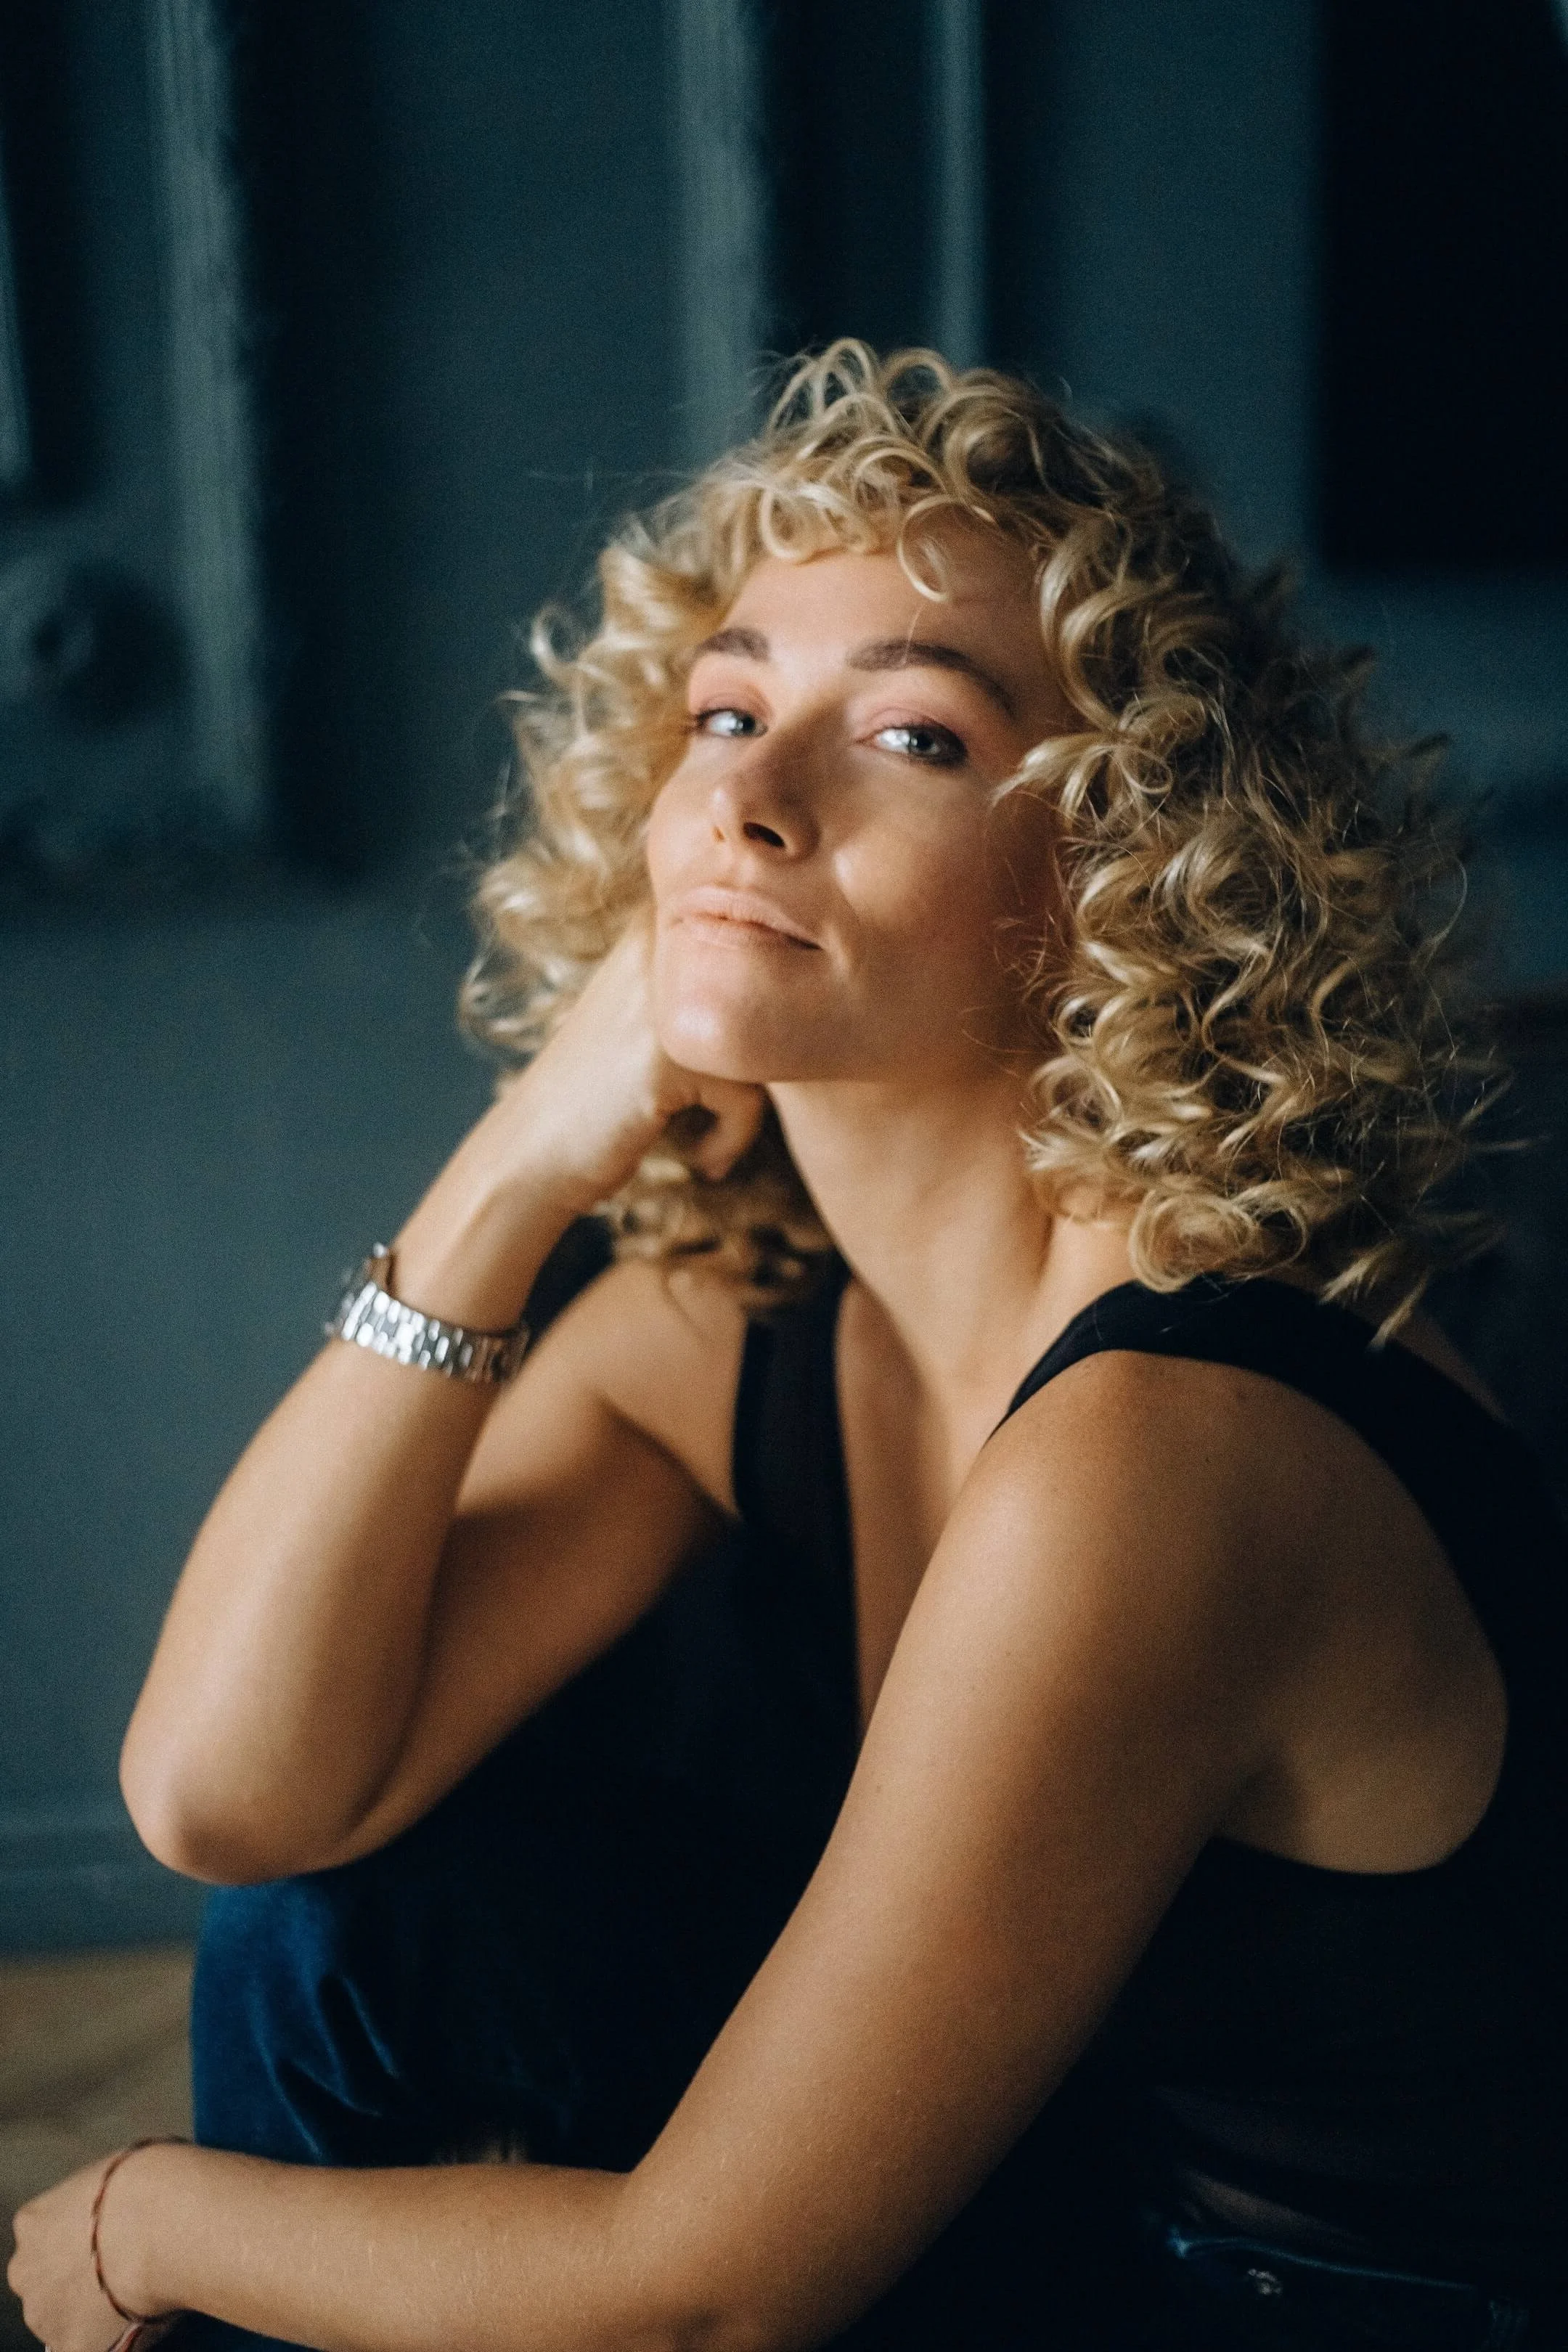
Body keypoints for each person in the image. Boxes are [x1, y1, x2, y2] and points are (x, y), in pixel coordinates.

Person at [11, 343, 1567, 2352]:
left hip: (1314, 2313)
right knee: (348, 1928)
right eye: (726, 708)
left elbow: (702, 2297)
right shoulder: (739, 1316)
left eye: (912, 737)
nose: (745, 797)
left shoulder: (1174, 1446)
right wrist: (516, 1171)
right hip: (1062, 2208)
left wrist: (144, 2225)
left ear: (1113, 878)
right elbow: (231, 1801)